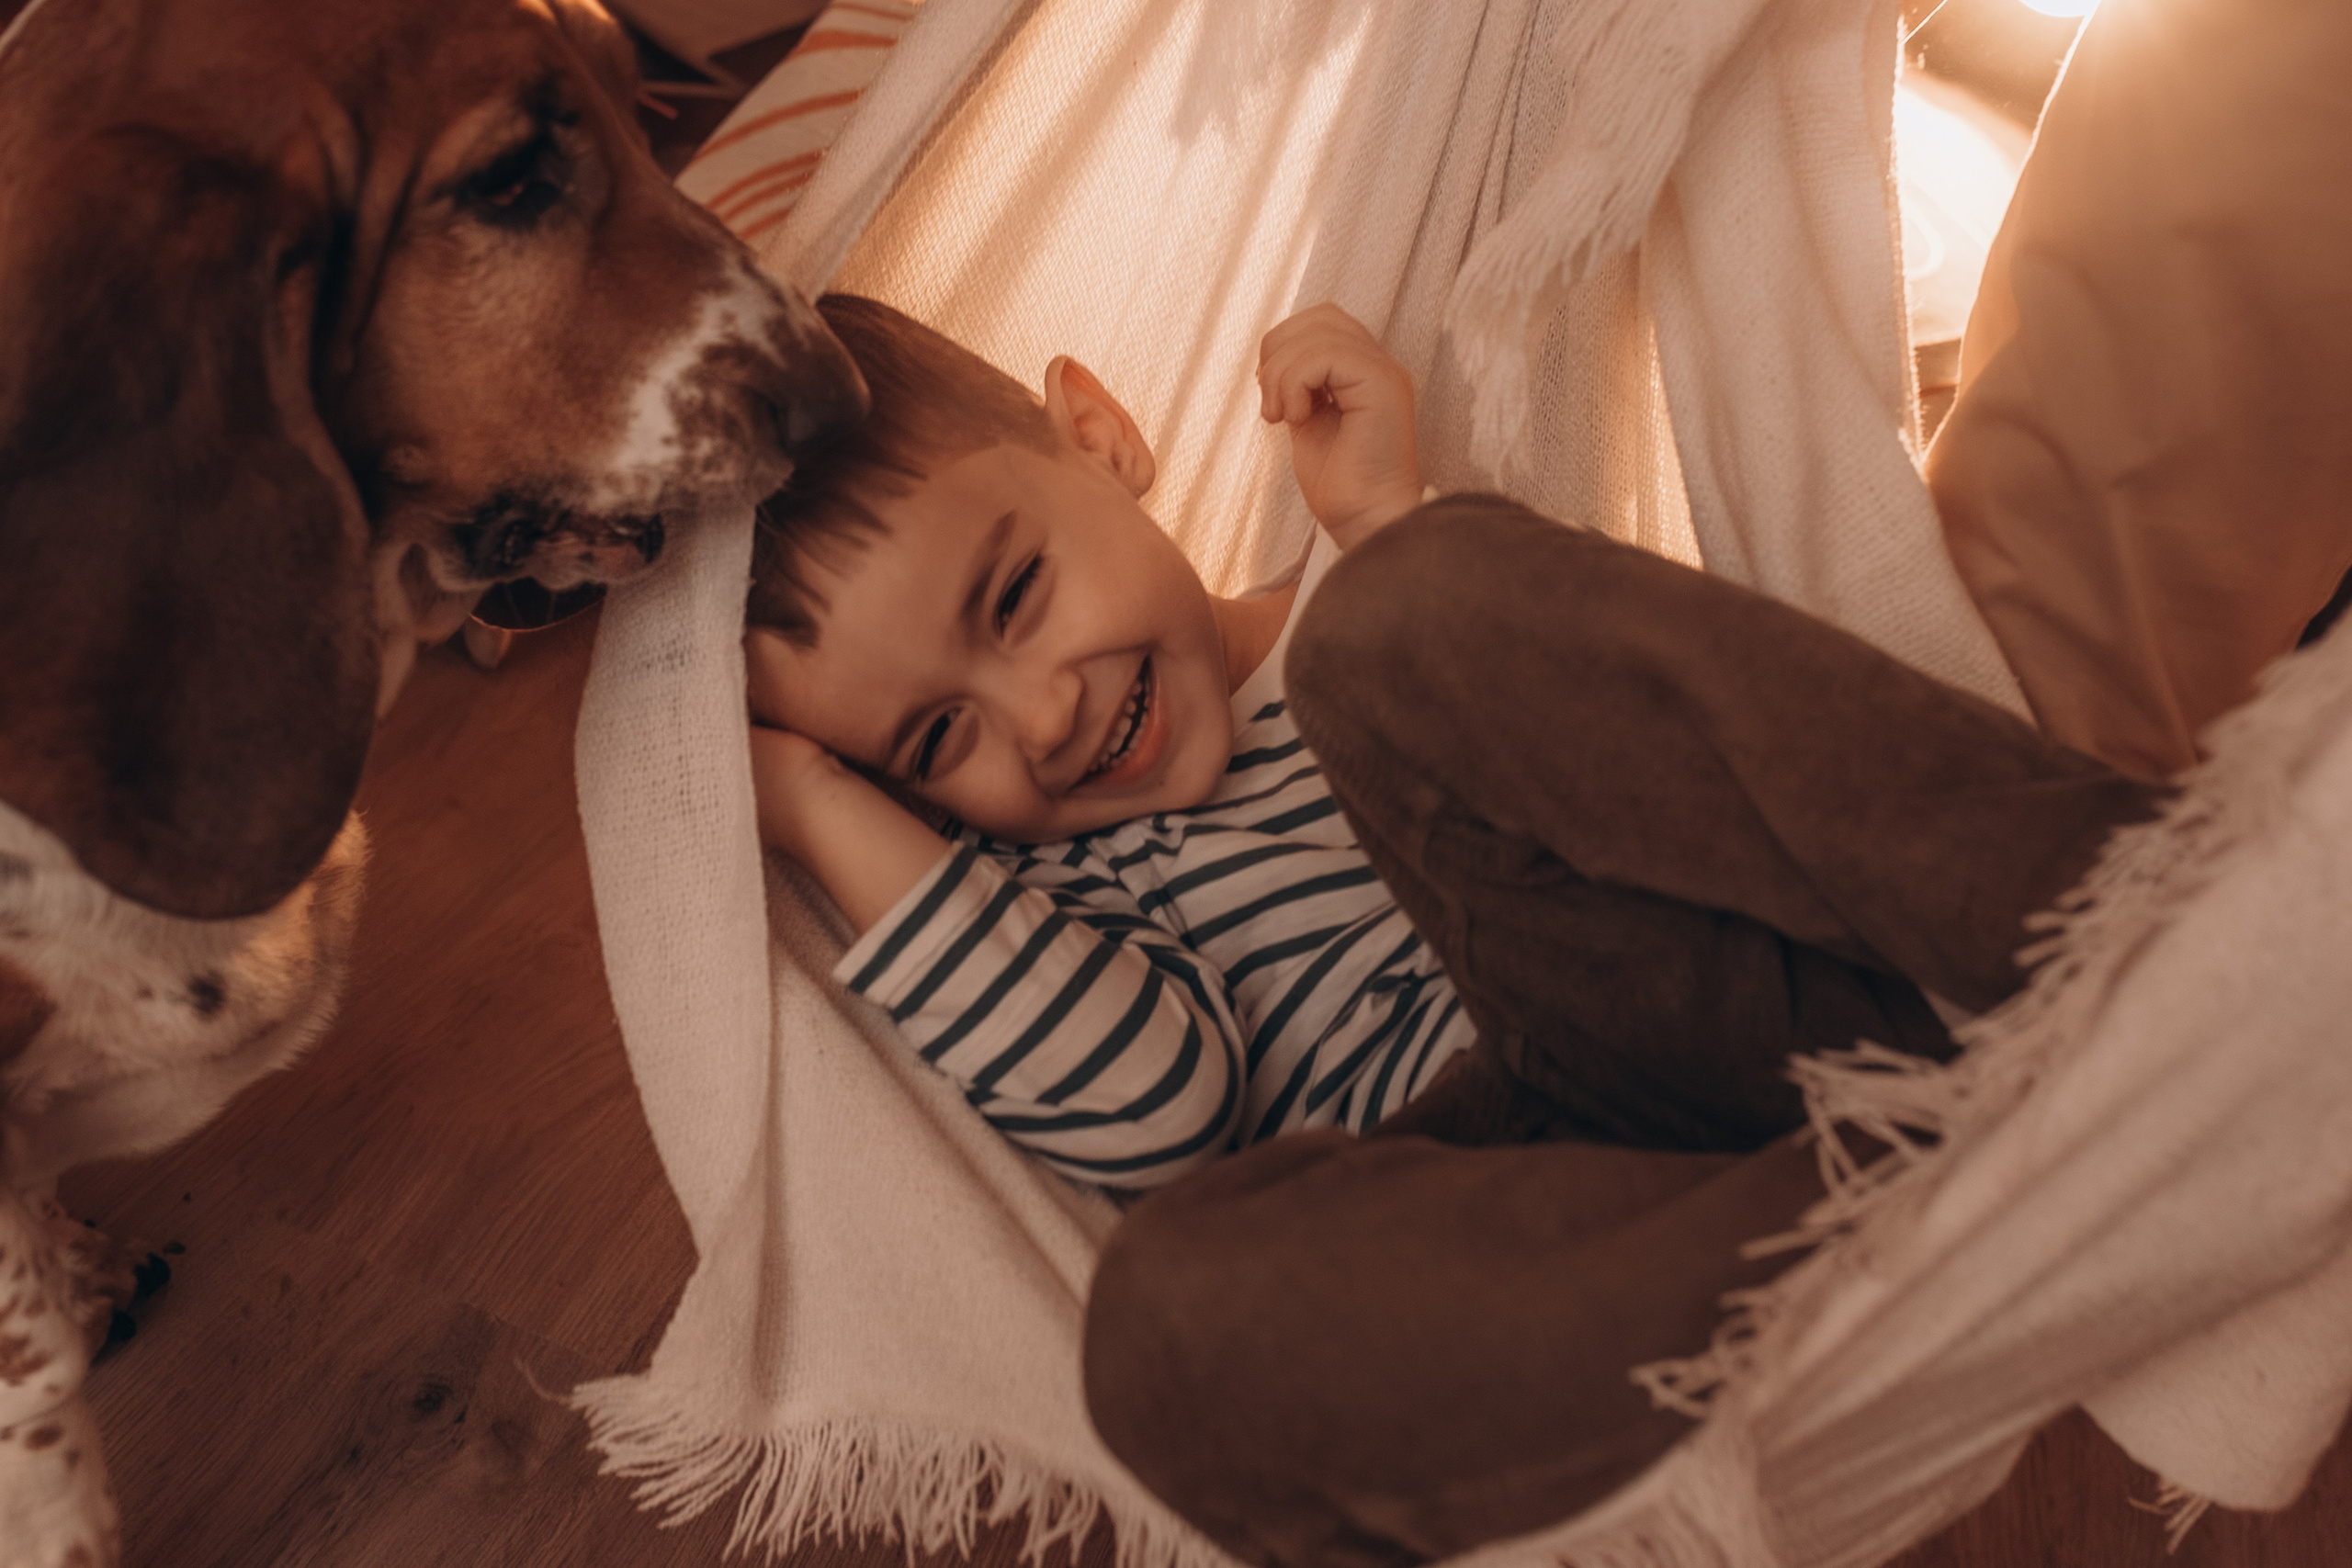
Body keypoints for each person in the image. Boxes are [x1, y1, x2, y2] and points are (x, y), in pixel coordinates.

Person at [742, 292, 2160, 1565]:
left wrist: (1385, 531)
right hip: (1537, 1269)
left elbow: (1667, 757)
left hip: (1715, 1018)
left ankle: (2148, 930)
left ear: (1100, 437)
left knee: (1392, 625)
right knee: (1154, 1328)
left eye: (1016, 594)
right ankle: (1942, 1236)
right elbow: (1155, 1113)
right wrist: (810, 804)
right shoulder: (1037, 911)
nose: (1041, 718)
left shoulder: (1362, 614)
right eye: (935, 742)